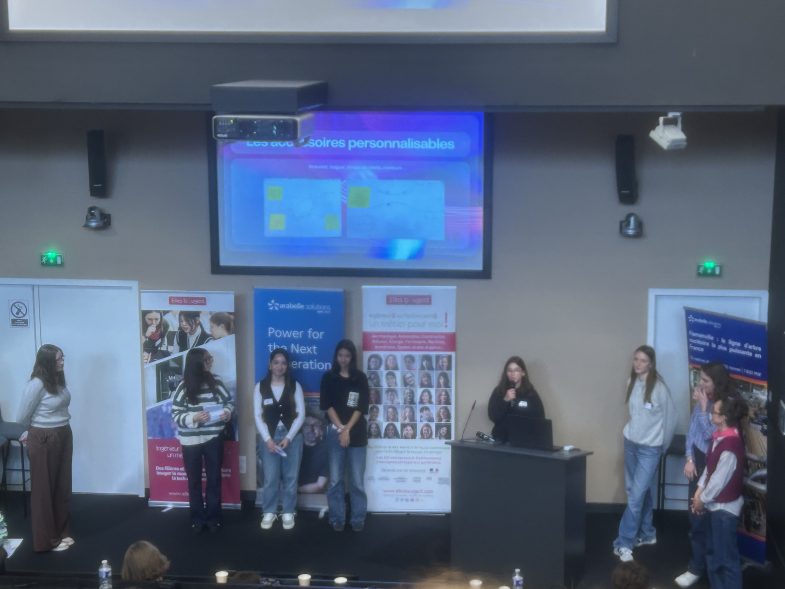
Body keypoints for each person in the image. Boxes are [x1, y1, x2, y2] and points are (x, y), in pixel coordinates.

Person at [612, 345, 676, 562]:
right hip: (631, 444)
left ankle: (623, 543)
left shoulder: (659, 389)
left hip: (650, 449)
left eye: (643, 360)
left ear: (651, 364)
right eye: (635, 359)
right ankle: (647, 533)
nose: (638, 364)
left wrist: (661, 447)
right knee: (639, 491)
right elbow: (635, 415)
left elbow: (671, 420)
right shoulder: (631, 382)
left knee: (635, 495)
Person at [675, 361, 732, 588]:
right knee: (696, 517)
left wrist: (703, 406)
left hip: (716, 465)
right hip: (698, 462)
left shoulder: (723, 405)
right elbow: (692, 432)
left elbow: (711, 433)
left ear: (717, 382)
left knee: (714, 521)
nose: (700, 384)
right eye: (700, 379)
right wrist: (689, 458)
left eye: (705, 380)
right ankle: (696, 568)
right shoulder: (700, 402)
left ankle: (713, 570)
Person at [16, 344, 74, 552]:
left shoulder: (58, 380)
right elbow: (21, 417)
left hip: (63, 433)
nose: (62, 362)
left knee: (62, 486)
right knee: (44, 491)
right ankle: (47, 541)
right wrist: (31, 433)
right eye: (58, 359)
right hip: (44, 438)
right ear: (47, 361)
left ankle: (61, 531)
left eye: (62, 357)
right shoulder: (37, 384)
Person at [171, 348, 233, 534]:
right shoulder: (183, 387)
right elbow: (176, 415)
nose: (211, 362)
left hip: (213, 437)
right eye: (207, 360)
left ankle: (214, 518)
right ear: (196, 363)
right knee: (194, 482)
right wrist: (194, 418)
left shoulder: (217, 382)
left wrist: (226, 412)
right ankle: (197, 519)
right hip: (190, 442)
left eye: (210, 358)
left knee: (214, 479)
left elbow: (229, 403)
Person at [691, 396, 748, 589]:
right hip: (714, 506)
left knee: (726, 560)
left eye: (713, 412)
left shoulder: (730, 445)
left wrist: (702, 499)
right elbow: (709, 469)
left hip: (725, 510)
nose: (710, 414)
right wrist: (698, 492)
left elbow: (718, 481)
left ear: (723, 417)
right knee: (713, 555)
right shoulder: (719, 438)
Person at [320, 339, 370, 532]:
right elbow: (327, 406)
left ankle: (358, 518)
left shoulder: (360, 378)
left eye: (347, 356)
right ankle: (337, 518)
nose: (343, 359)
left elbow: (361, 407)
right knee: (335, 481)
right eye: (340, 355)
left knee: (357, 481)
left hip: (357, 434)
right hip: (335, 433)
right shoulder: (328, 378)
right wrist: (341, 429)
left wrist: (347, 429)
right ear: (336, 356)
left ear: (352, 357)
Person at [254, 348, 305, 531]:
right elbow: (257, 415)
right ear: (270, 365)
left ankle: (288, 511)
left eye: (283, 363)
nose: (279, 366)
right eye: (276, 362)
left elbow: (301, 414)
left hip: (292, 438)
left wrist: (289, 437)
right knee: (270, 478)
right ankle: (269, 511)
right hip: (269, 438)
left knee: (291, 477)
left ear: (287, 366)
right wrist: (268, 439)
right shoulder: (260, 387)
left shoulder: (295, 386)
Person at [487, 356, 545, 442]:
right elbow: (493, 416)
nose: (512, 374)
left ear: (523, 373)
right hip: (501, 439)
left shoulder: (530, 394)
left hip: (524, 441)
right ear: (506, 373)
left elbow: (540, 420)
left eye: (516, 370)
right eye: (509, 370)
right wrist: (505, 400)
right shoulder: (499, 391)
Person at [298, 407, 329, 495]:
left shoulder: (326, 451)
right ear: (301, 429)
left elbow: (320, 485)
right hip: (291, 497)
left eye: (315, 425)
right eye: (307, 425)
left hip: (317, 497)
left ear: (321, 430)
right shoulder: (295, 449)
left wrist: (295, 490)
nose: (311, 429)